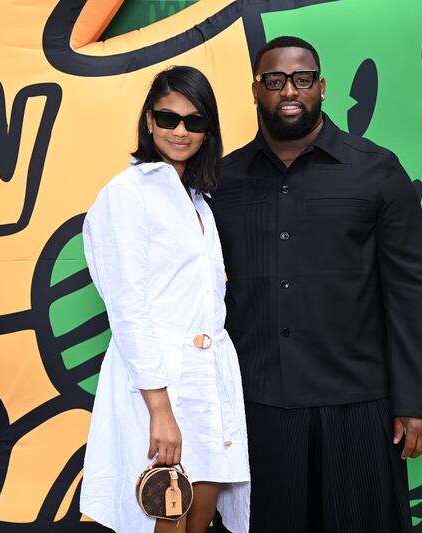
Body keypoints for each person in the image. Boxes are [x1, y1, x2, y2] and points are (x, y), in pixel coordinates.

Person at [208, 36, 422, 532]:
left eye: (302, 78)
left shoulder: (377, 171)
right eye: (274, 80)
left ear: (322, 87)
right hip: (258, 406)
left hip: (357, 404)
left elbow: (412, 292)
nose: (288, 90)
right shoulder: (221, 182)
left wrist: (417, 401)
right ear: (255, 90)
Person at [79, 66, 250, 533]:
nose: (180, 131)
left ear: (208, 130)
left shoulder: (198, 200)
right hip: (159, 383)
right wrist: (160, 410)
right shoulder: (127, 193)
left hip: (208, 381)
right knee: (161, 513)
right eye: (168, 118)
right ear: (149, 121)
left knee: (201, 518)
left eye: (194, 122)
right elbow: (128, 308)